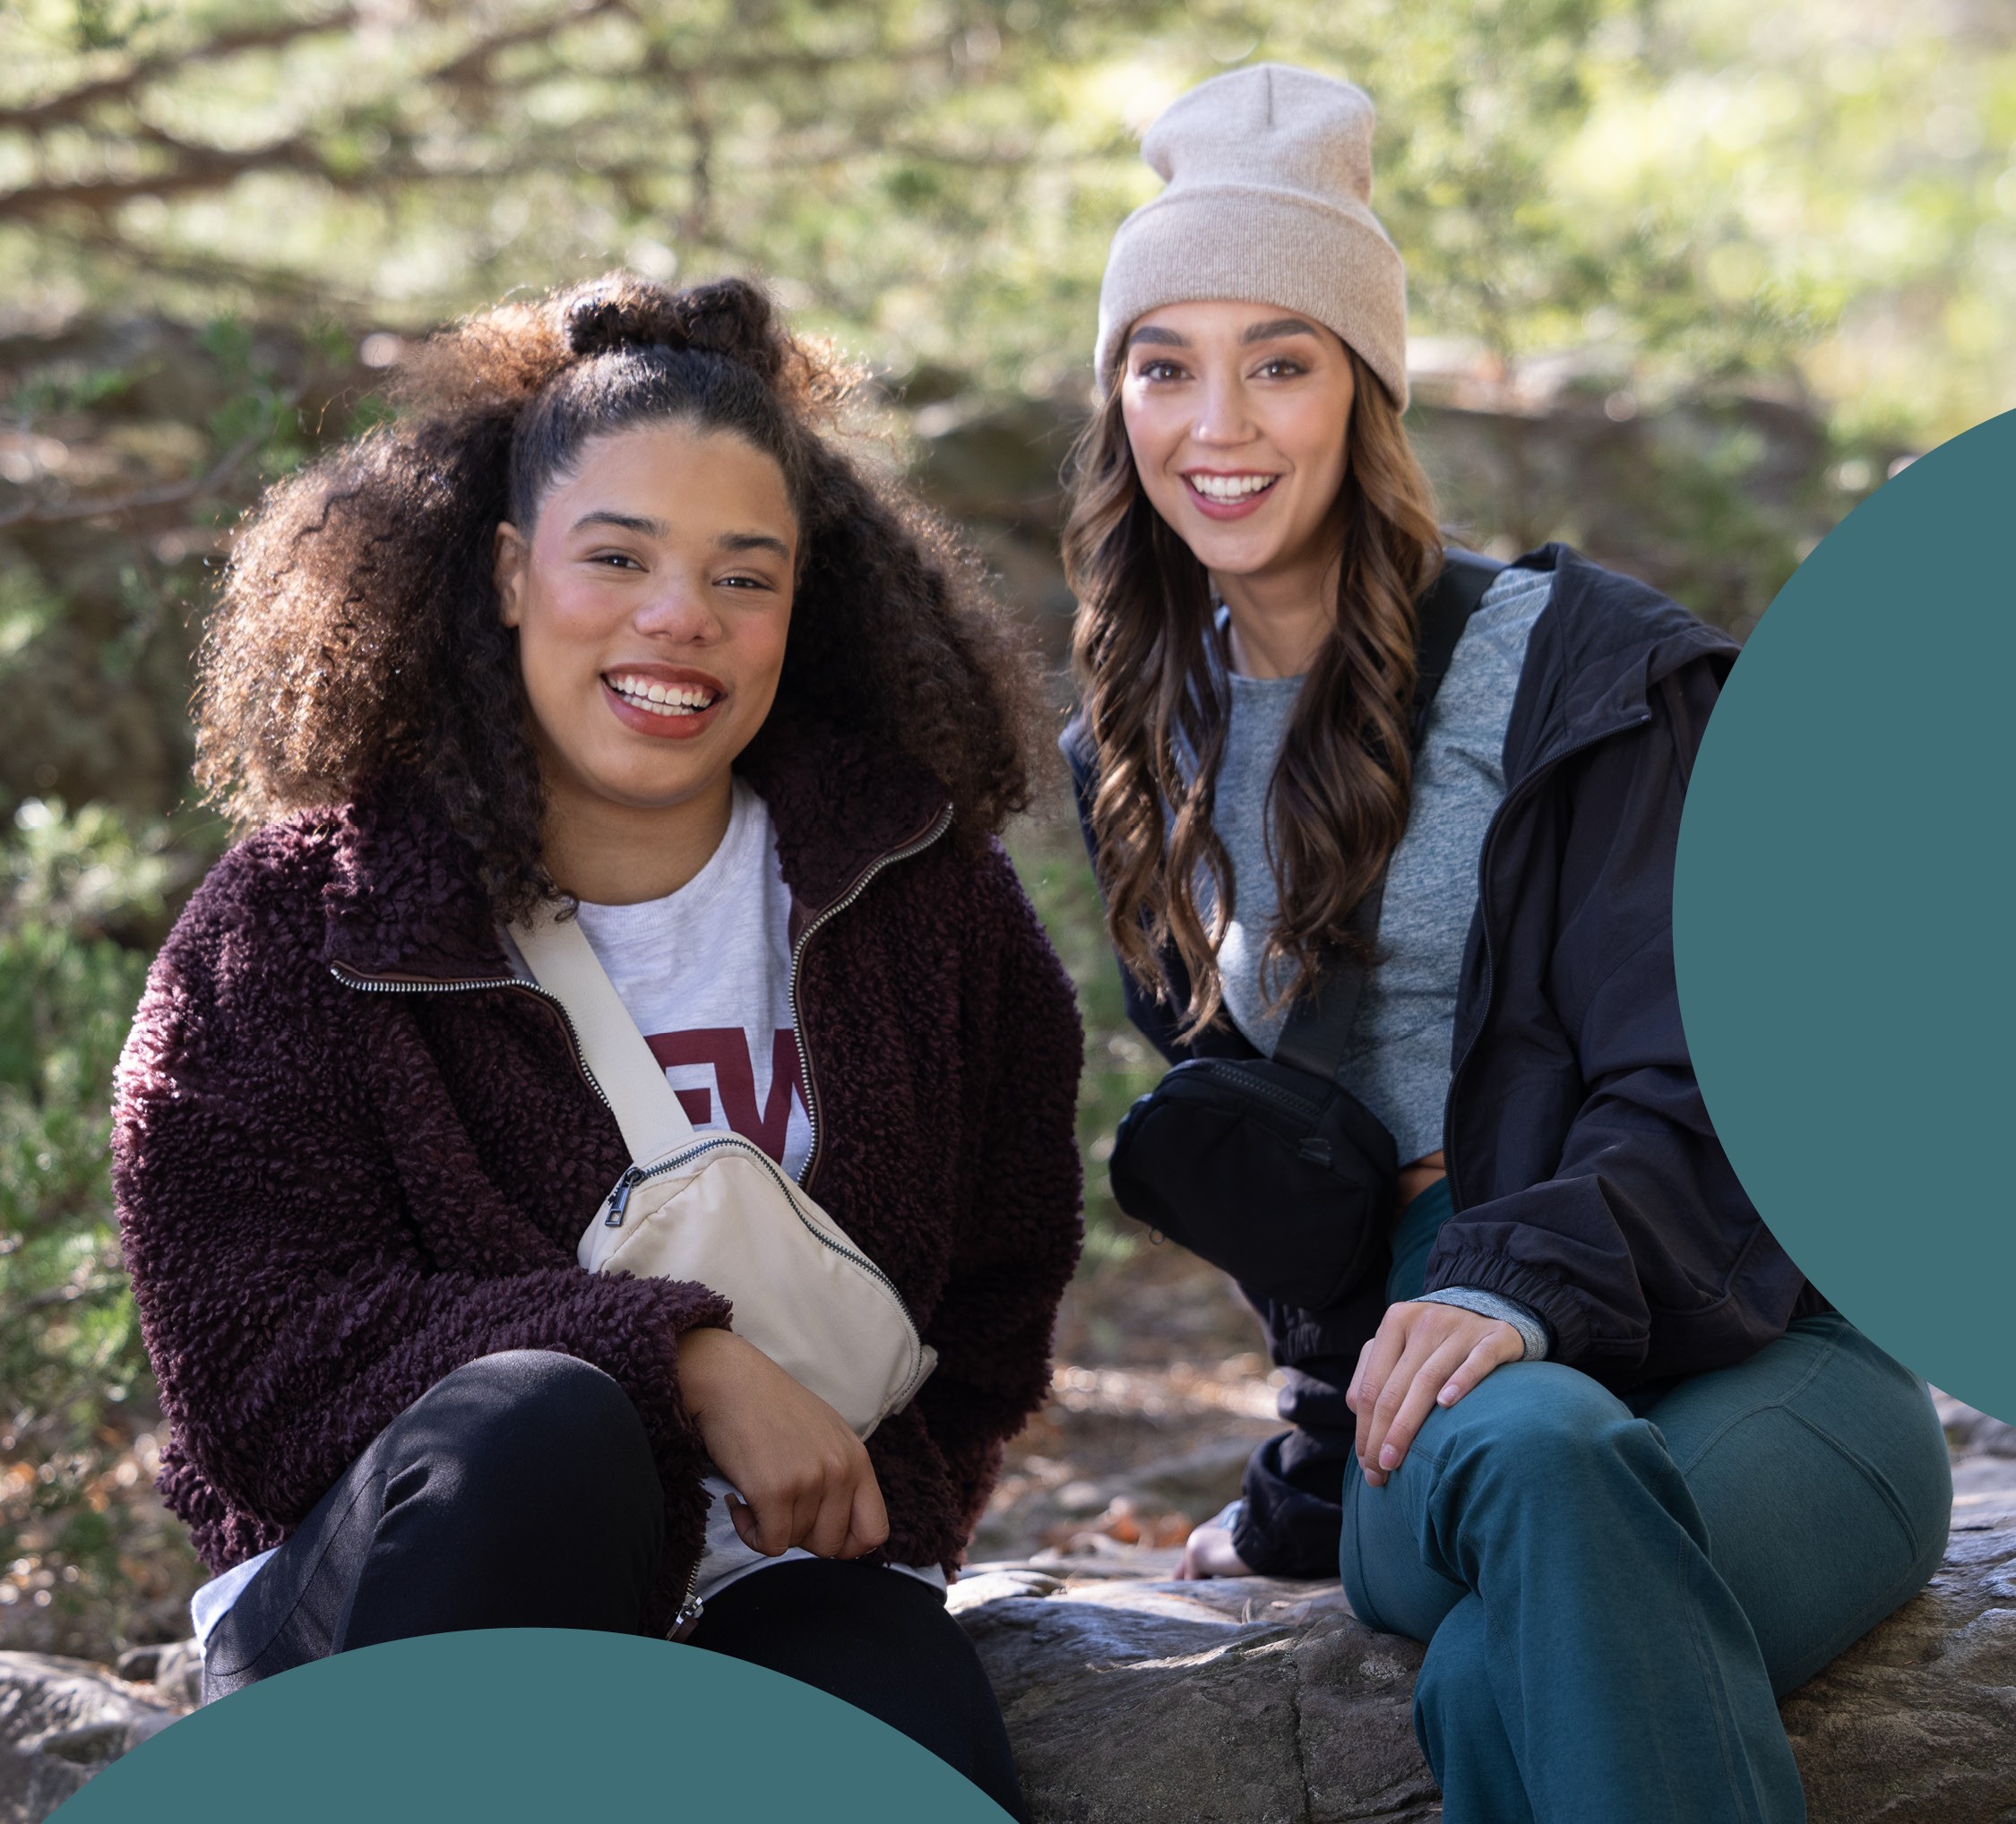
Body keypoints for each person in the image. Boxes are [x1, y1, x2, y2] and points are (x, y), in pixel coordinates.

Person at [1061, 63, 1950, 1823]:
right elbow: (1297, 1184)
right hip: (1442, 1396)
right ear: (1118, 403)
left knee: (1490, 1673)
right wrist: (1315, 1474)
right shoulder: (1134, 747)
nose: (1215, 422)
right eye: (1165, 364)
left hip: (1771, 1351)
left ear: (1365, 388)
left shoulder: (1592, 672)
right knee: (1529, 1464)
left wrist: (1513, 1277)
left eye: (1281, 360)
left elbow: (1724, 1081)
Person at [112, 272, 1084, 1817]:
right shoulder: (305, 921)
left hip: (775, 1580)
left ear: (800, 600)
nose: (676, 622)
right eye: (615, 556)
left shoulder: (918, 894)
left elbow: (1001, 1269)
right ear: (508, 571)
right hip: (405, 1582)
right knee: (541, 1428)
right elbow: (254, 1352)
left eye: (741, 576)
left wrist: (890, 1505)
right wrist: (676, 1356)